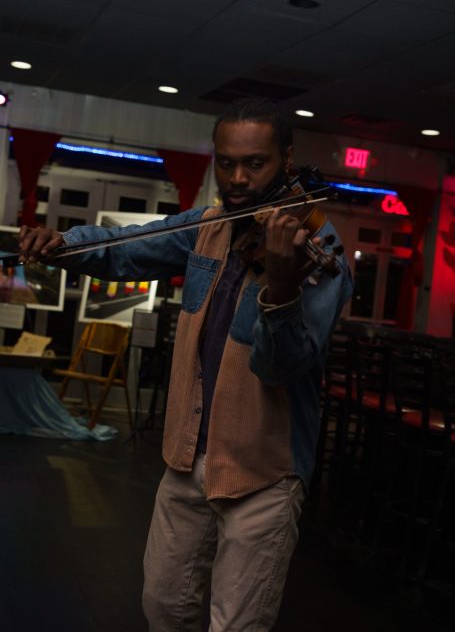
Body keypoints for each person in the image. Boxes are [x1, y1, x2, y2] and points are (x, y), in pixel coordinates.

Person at [19, 98, 353, 631]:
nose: (237, 178)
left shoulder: (318, 249)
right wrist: (64, 244)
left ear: (286, 160)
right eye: (227, 163)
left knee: (236, 624)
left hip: (263, 471)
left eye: (255, 163)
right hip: (187, 454)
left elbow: (280, 369)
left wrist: (282, 288)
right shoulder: (211, 224)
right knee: (163, 607)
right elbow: (127, 248)